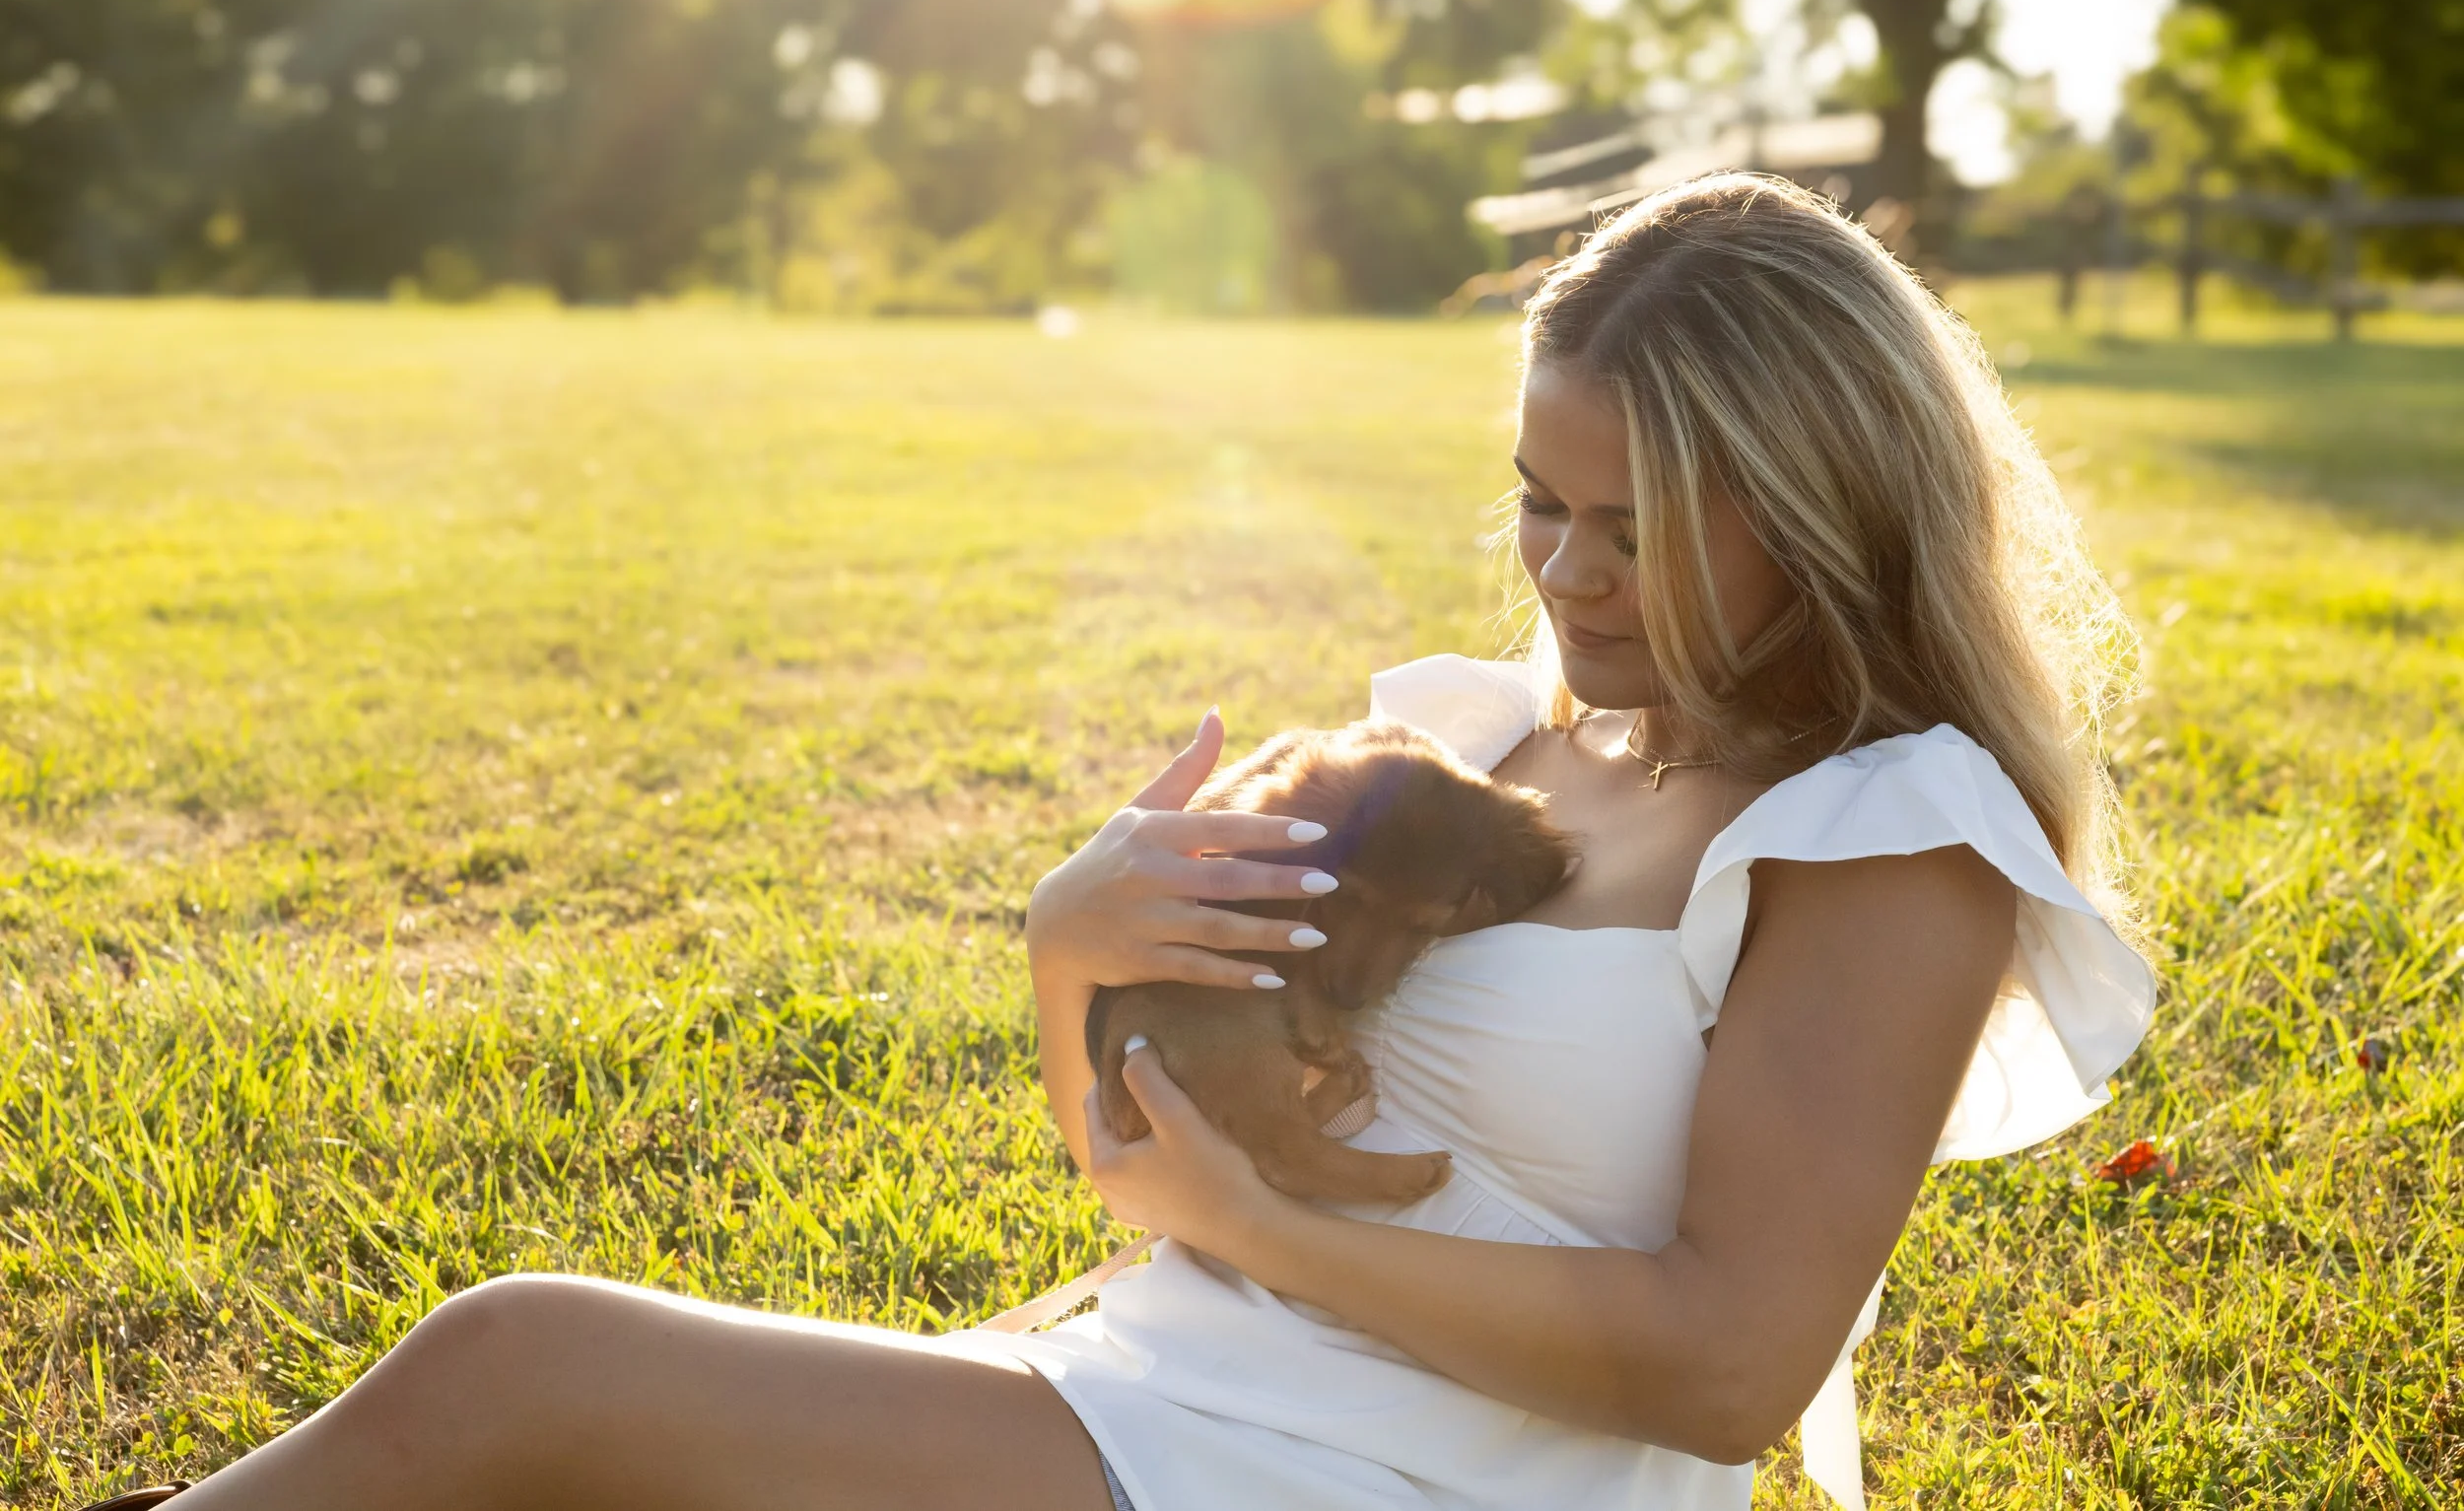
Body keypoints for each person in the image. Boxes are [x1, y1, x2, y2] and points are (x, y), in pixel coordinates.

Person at [119, 173, 2153, 1511]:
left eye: (1631, 525)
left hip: (1439, 1476)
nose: (1562, 566)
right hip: (1187, 1377)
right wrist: (1067, 942)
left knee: (520, 1366)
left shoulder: (1883, 837)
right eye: (1539, 496)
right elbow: (1144, 1166)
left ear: (1814, 509)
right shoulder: (1485, 739)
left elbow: (1727, 1366)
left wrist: (1277, 1241)